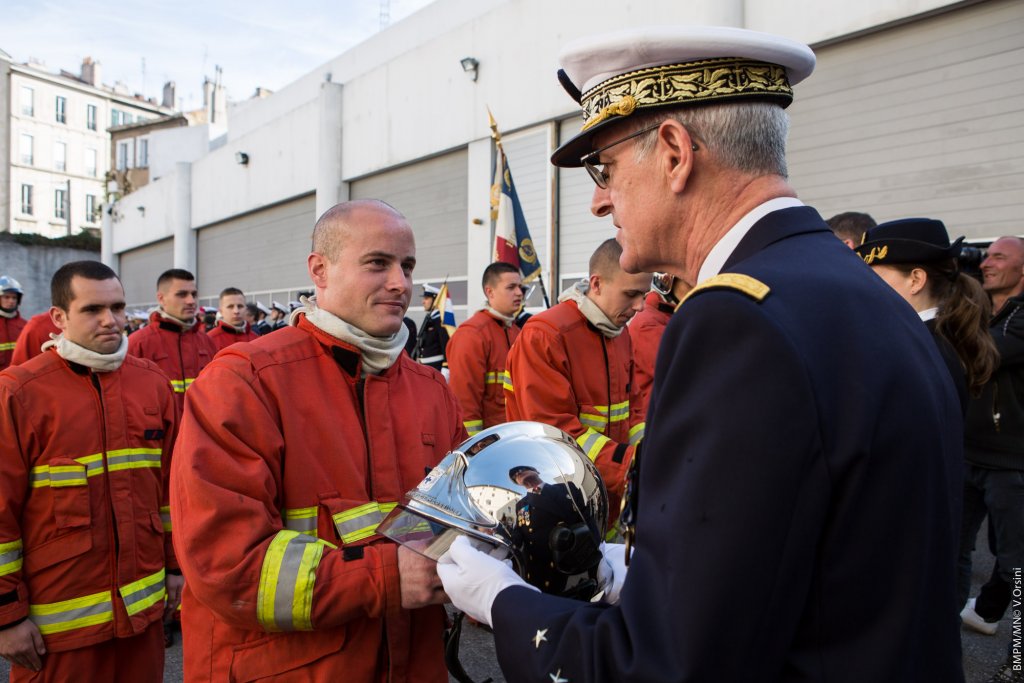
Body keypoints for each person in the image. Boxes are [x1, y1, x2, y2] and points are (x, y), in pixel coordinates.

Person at [437, 26, 964, 682]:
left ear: (674, 152)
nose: (600, 198)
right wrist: (650, 570)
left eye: (604, 168)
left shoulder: (738, 319)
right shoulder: (853, 289)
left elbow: (667, 665)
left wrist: (504, 599)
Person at [170, 199, 466, 681]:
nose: (401, 283)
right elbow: (226, 565)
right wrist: (387, 577)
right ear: (319, 270)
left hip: (412, 662)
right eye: (378, 263)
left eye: (407, 266)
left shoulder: (432, 391)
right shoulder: (245, 382)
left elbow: (450, 523)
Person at [0, 261, 178, 682]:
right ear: (59, 318)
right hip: (57, 630)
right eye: (92, 309)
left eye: (118, 307)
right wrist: (6, 616)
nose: (111, 320)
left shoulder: (152, 384)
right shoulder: (19, 393)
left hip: (142, 618)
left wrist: (176, 569)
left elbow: (171, 491)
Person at [504, 238, 649, 520]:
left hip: (611, 495)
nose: (640, 306)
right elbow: (554, 433)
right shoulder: (546, 335)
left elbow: (634, 410)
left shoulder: (620, 333)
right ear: (596, 284)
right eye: (631, 294)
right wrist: (634, 465)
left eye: (644, 294)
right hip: (559, 498)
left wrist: (650, 453)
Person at [957, 236, 1024, 681]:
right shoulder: (987, 311)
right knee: (952, 549)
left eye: (998, 255)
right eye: (986, 256)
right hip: (968, 454)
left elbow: (983, 357)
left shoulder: (1019, 319)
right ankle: (948, 635)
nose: (986, 263)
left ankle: (1017, 661)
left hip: (1013, 462)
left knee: (1016, 566)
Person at [855, 217, 998, 413]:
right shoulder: (941, 336)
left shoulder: (914, 349)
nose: (864, 287)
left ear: (916, 280)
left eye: (874, 277)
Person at [447, 262, 523, 436]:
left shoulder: (517, 332)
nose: (519, 293)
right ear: (490, 292)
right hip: (488, 443)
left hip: (514, 436)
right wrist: (475, 446)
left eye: (520, 287)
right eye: (511, 287)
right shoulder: (472, 335)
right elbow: (464, 401)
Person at [127, 269, 217, 414]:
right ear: (161, 298)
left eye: (194, 295)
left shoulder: (207, 342)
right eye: (182, 294)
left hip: (199, 432)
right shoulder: (138, 343)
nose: (191, 301)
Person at [629, 273, 691, 417]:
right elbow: (681, 375)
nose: (696, 287)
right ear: (666, 282)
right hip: (657, 423)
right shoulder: (648, 324)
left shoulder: (673, 316)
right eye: (689, 284)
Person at [412, 284, 450, 373]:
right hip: (425, 368)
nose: (423, 302)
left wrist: (446, 368)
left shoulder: (441, 320)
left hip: (436, 369)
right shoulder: (430, 320)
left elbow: (446, 346)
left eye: (426, 298)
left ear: (435, 300)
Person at [206, 287, 259, 351]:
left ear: (246, 309)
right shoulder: (209, 340)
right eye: (230, 307)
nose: (236, 311)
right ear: (221, 311)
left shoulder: (256, 339)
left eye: (240, 306)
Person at [0, 276, 27, 371]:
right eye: (6, 297)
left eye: (14, 297)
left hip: (18, 379)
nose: (11, 301)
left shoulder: (25, 326)